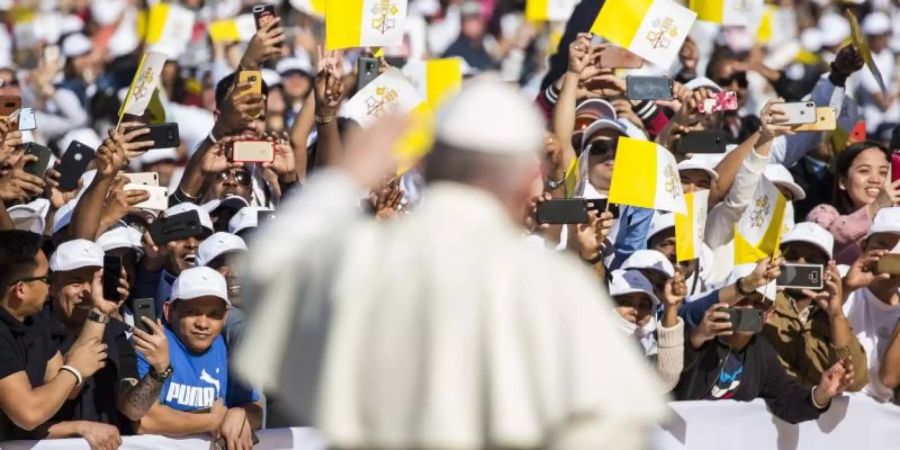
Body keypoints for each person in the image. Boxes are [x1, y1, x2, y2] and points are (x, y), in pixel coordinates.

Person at [234, 78, 666, 449]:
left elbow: (268, 276)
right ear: (522, 185)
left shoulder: (374, 260)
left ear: (425, 164)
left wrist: (348, 177)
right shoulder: (557, 286)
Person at [675, 290, 855, 424]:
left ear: (769, 314)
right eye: (741, 300)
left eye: (759, 304)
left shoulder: (761, 350)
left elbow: (786, 399)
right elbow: (669, 377)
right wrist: (695, 339)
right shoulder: (700, 337)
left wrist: (820, 394)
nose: (748, 308)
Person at [134, 267, 261, 448]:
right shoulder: (150, 344)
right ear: (169, 311)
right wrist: (213, 420)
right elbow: (144, 419)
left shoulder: (229, 348)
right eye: (192, 312)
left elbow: (255, 410)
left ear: (225, 317)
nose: (203, 323)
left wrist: (241, 413)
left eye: (214, 315)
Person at [0, 231, 108, 441]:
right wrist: (74, 369)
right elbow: (28, 414)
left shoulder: (33, 322)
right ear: (20, 289)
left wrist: (99, 312)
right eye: (45, 279)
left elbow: (66, 388)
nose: (50, 288)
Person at [760, 223, 868, 391]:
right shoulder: (762, 301)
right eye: (793, 256)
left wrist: (835, 314)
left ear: (827, 268)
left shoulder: (832, 314)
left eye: (812, 260)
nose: (801, 263)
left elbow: (856, 382)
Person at [841, 207, 900, 403]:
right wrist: (846, 287)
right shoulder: (844, 278)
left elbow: (889, 379)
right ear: (864, 245)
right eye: (882, 246)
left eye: (898, 251)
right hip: (839, 406)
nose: (890, 256)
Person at [807, 142, 900, 264]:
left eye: (883, 173)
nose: (875, 180)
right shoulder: (824, 214)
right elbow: (828, 240)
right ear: (843, 181)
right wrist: (875, 207)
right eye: (864, 171)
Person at [608, 269, 685, 392]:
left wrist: (671, 306)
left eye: (643, 305)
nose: (635, 311)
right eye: (625, 302)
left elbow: (665, 381)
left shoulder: (647, 349)